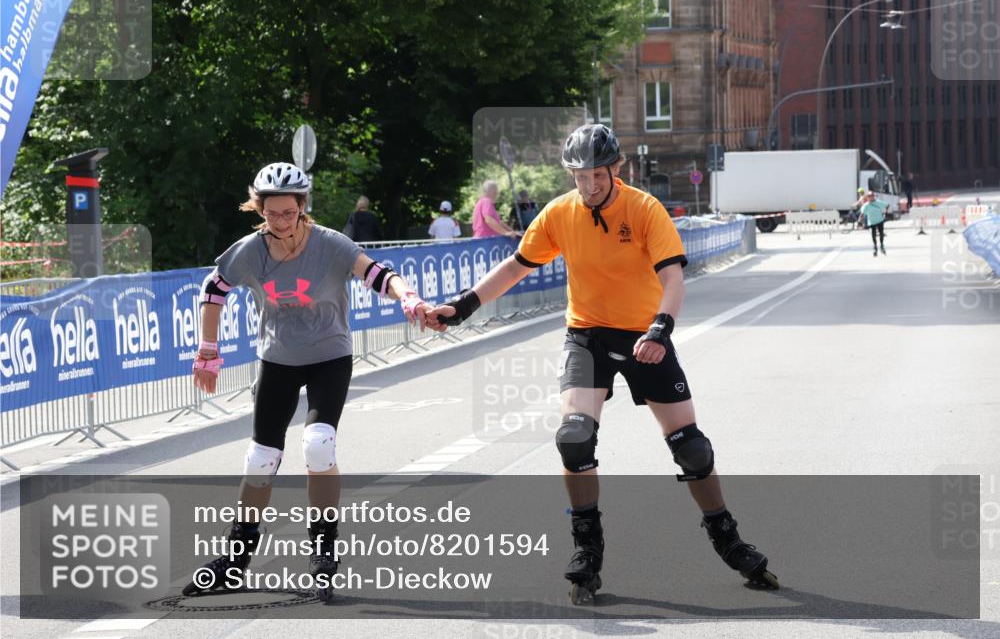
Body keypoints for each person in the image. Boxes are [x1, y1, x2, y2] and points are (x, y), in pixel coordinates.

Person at [426, 124, 778, 604]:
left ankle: (727, 537)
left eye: (597, 174)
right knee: (574, 438)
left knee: (692, 448)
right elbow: (515, 266)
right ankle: (587, 550)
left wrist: (660, 328)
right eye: (579, 176)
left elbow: (673, 278)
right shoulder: (560, 213)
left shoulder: (644, 208)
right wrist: (463, 306)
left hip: (645, 337)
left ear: (617, 169)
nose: (589, 185)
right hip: (587, 336)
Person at [186, 162, 432, 601]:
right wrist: (208, 349)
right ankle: (235, 558)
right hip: (278, 359)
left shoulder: (330, 245)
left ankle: (322, 550)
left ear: (303, 207)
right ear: (260, 209)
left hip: (328, 357)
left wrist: (407, 297)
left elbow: (379, 274)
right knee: (260, 459)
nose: (279, 221)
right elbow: (213, 289)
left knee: (318, 444)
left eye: (287, 212)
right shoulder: (251, 250)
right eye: (270, 213)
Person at [860, 191, 890, 256]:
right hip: (872, 221)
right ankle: (875, 247)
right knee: (873, 235)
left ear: (873, 196)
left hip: (880, 220)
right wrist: (860, 220)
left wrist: (885, 213)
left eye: (871, 196)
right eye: (869, 197)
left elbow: (887, 205)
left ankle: (882, 245)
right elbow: (862, 213)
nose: (870, 197)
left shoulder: (878, 202)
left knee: (881, 233)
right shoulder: (866, 205)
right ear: (867, 198)